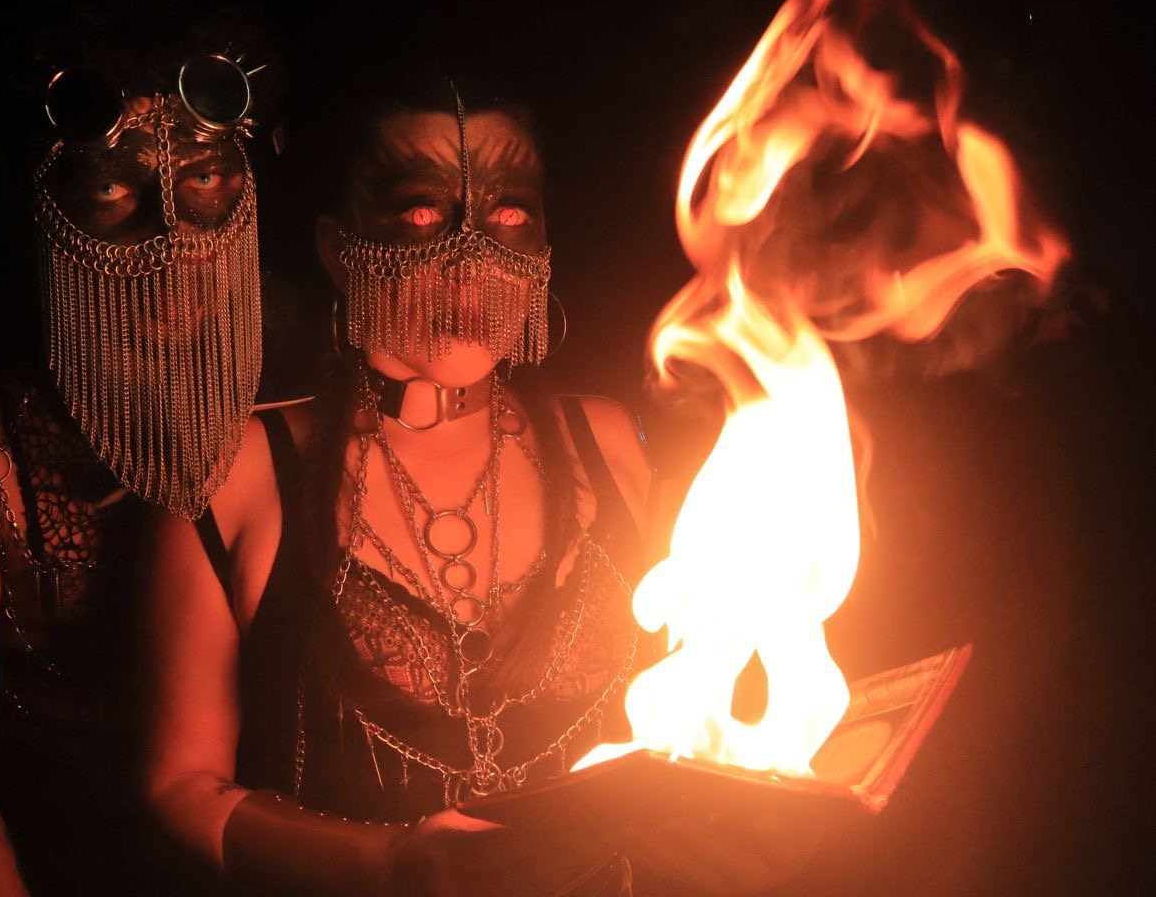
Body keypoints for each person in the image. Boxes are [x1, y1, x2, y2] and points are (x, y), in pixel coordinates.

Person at [142, 72, 815, 896]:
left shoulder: (604, 441)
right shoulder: (234, 470)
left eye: (509, 216)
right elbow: (180, 787)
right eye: (421, 215)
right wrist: (390, 864)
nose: (470, 267)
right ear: (337, 250)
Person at [0, 0, 268, 895]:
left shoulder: (292, 380)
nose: (170, 237)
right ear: (42, 206)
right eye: (111, 189)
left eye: (205, 176)